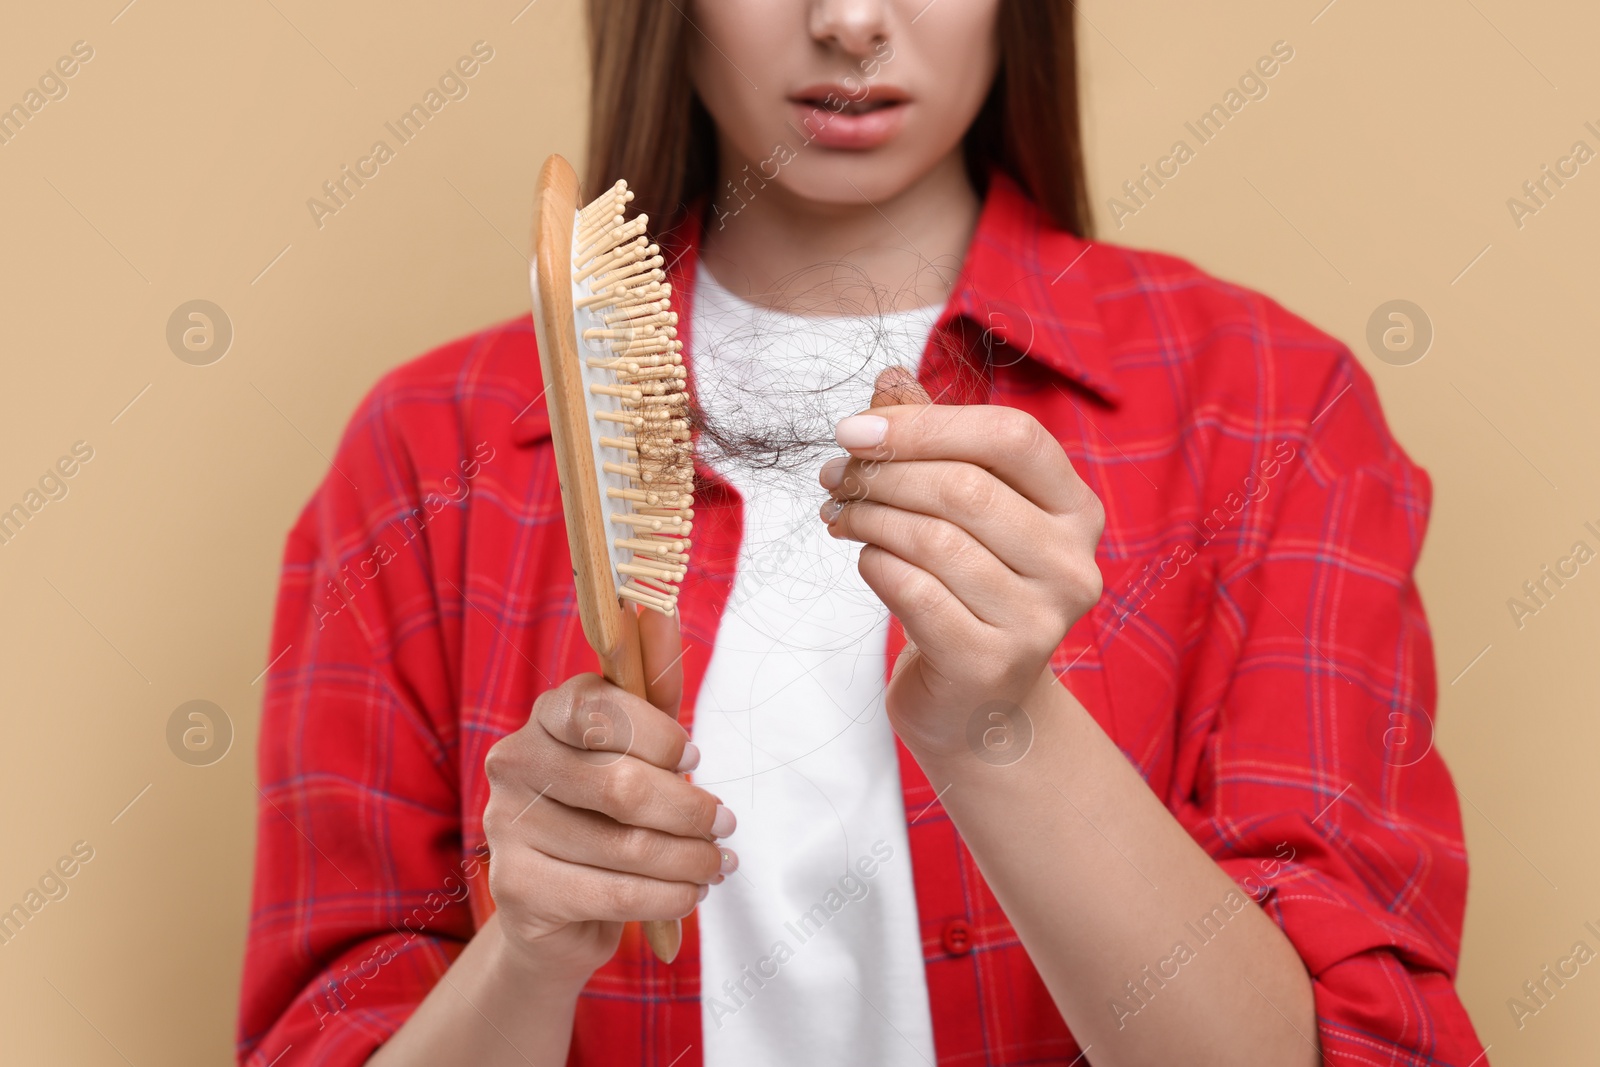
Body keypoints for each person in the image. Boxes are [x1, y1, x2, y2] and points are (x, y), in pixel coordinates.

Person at [237, 2, 1488, 1065]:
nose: (847, 20)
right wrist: (529, 947)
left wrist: (1002, 726)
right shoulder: (417, 455)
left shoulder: (1268, 406)